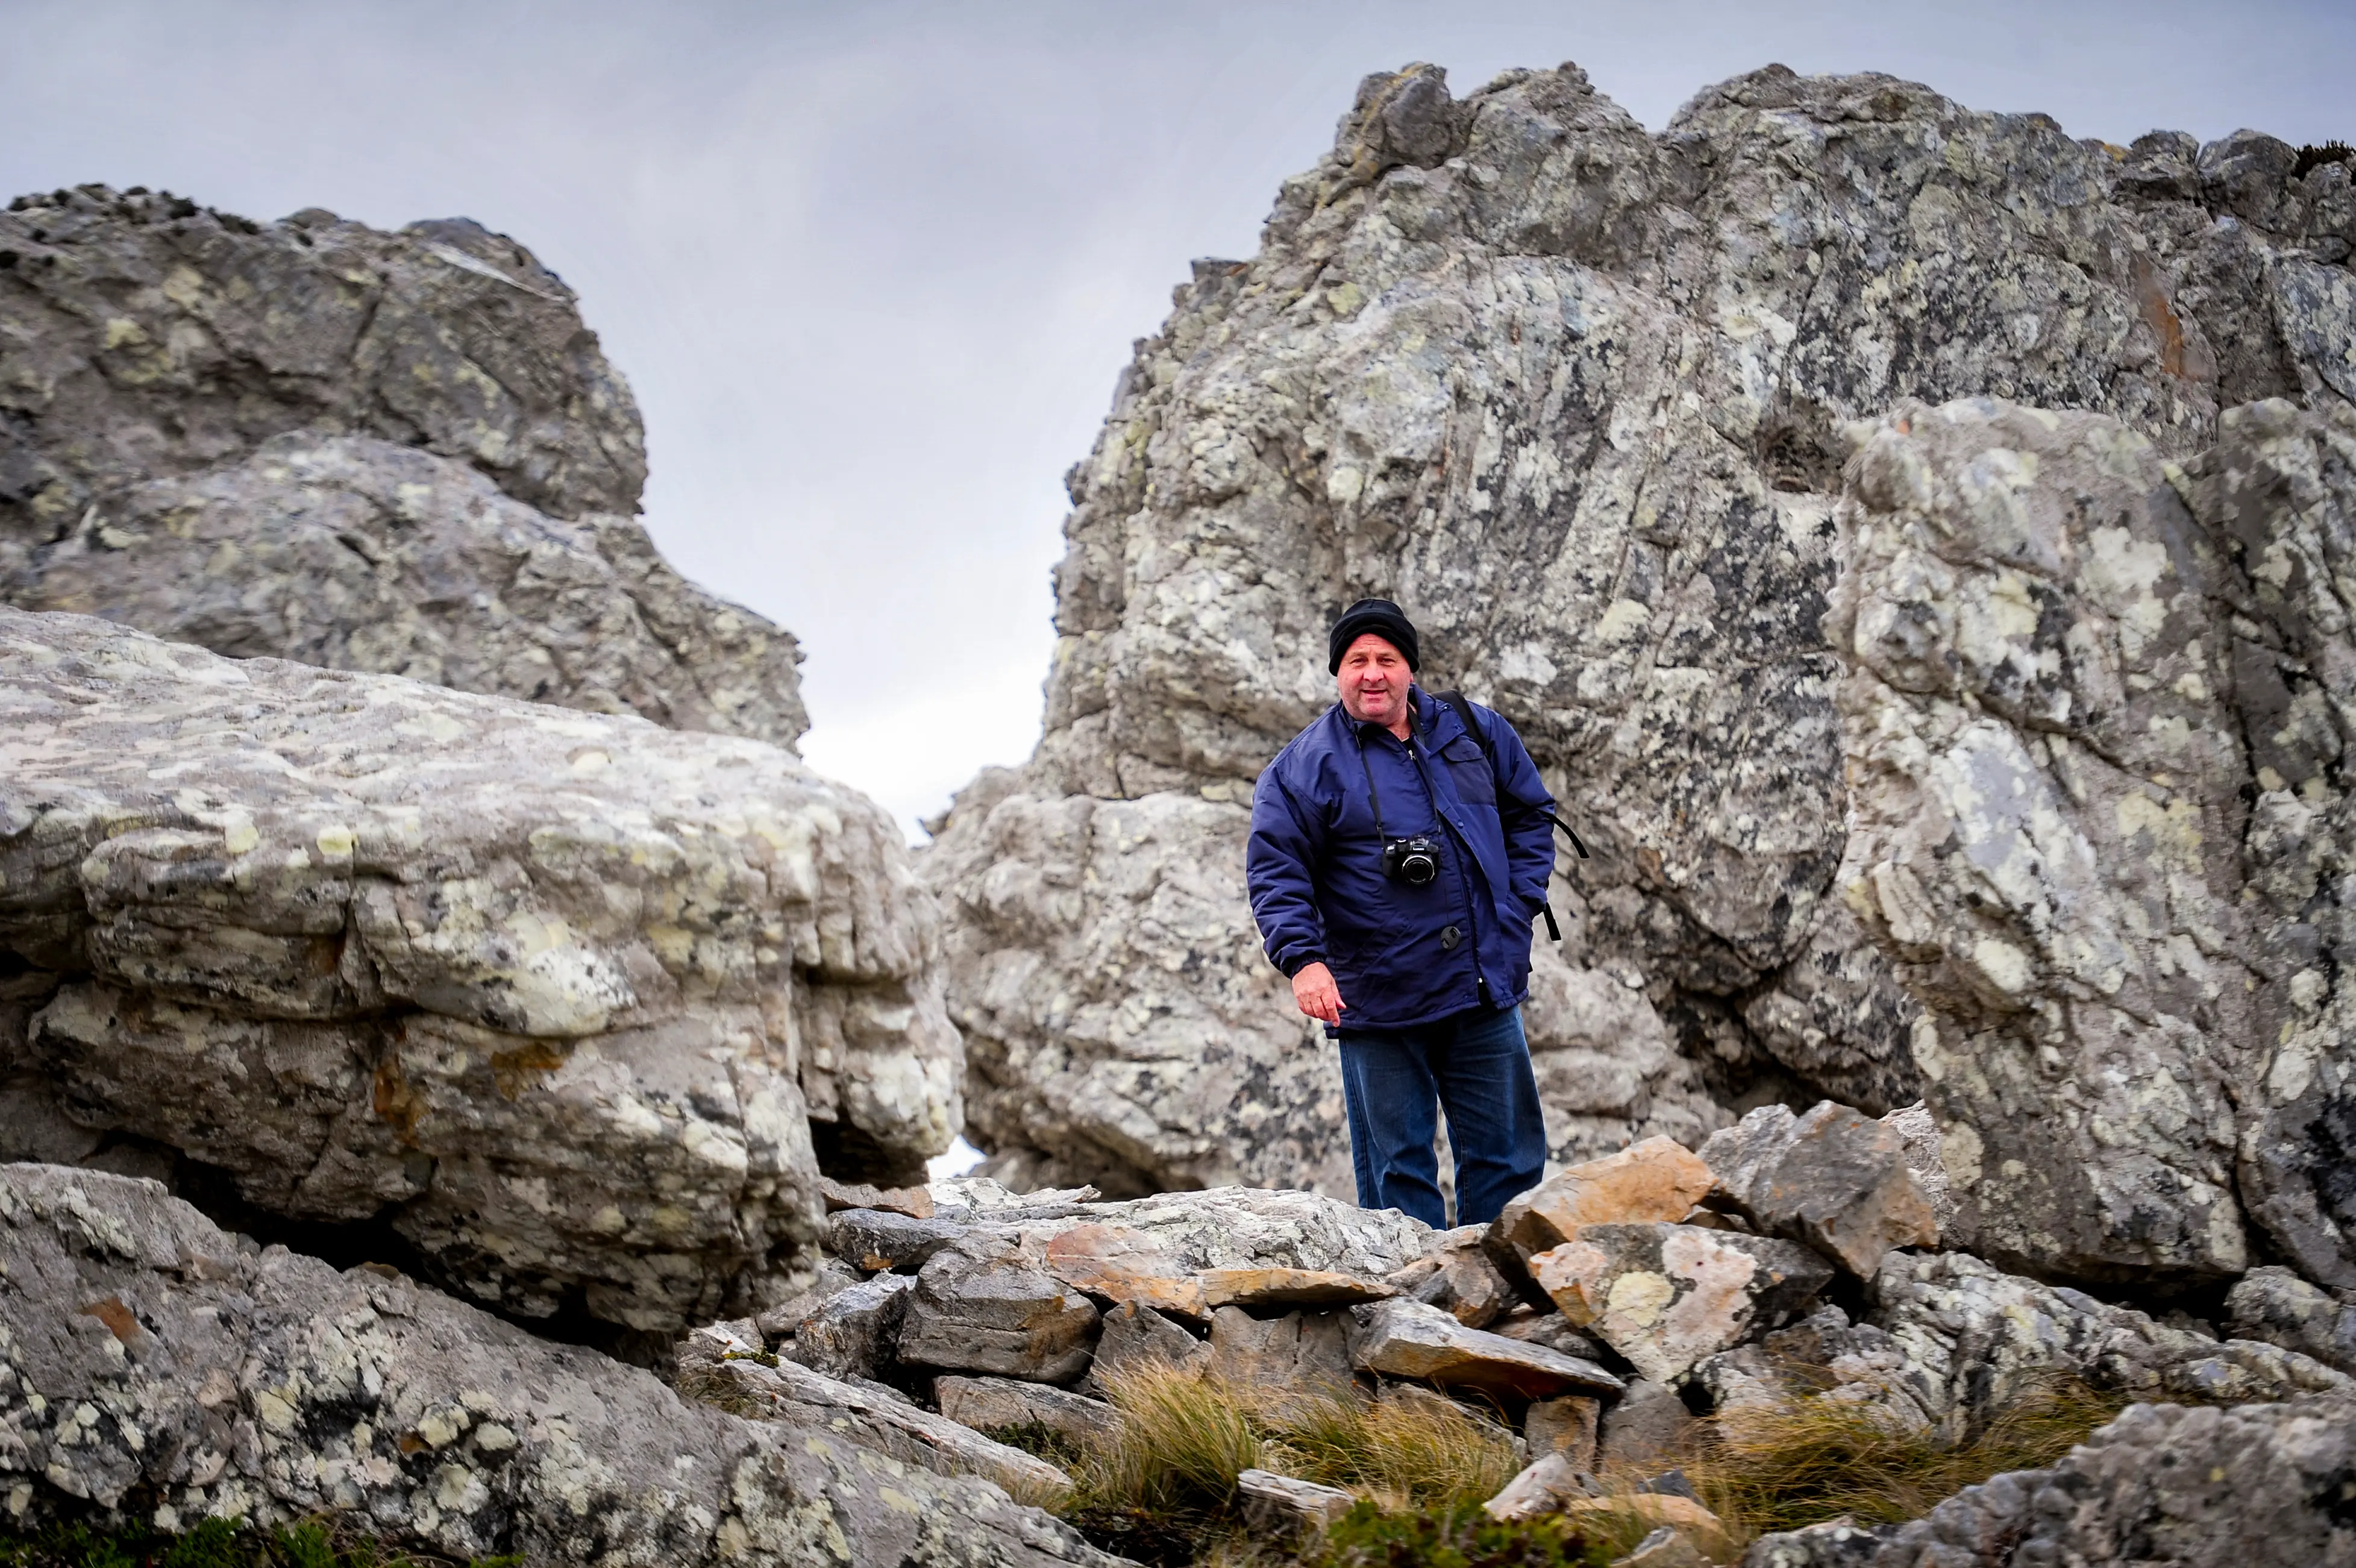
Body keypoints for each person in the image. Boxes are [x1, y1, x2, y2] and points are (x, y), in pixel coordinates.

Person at [1245, 598, 1557, 1228]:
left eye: (1386, 658)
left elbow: (1531, 815)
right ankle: (1417, 1311)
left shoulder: (1472, 729)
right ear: (1338, 672)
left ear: (1409, 667)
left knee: (1509, 1158)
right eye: (1357, 660)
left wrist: (1514, 907)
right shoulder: (1302, 768)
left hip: (1480, 985)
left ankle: (1495, 1297)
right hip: (1376, 996)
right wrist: (1303, 960)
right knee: (1398, 1176)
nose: (1372, 673)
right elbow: (1276, 869)